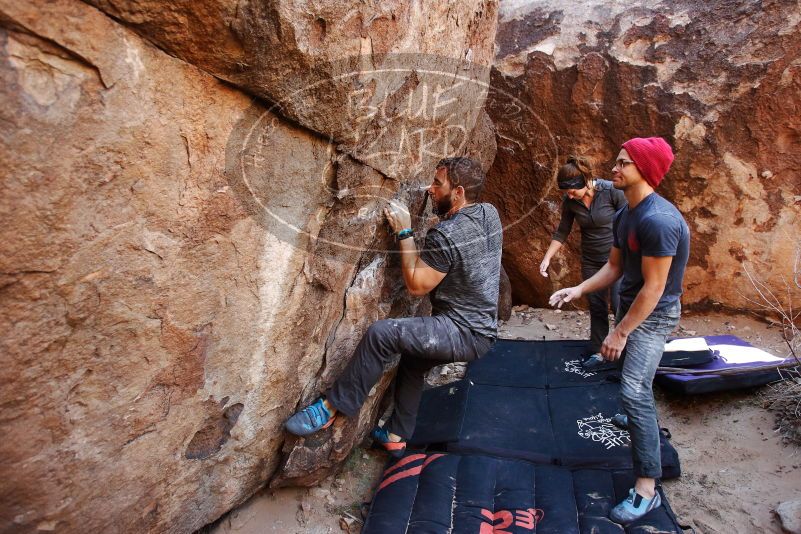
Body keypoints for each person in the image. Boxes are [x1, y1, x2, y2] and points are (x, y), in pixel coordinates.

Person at [285, 157, 503, 458]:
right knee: (414, 361)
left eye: (438, 184)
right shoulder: (490, 214)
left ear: (459, 193)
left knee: (382, 334)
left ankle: (330, 407)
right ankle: (396, 436)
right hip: (482, 329)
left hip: (462, 331)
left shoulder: (447, 235)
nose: (430, 189)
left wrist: (404, 231)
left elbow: (416, 286)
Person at [549, 137, 690, 525]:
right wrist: (579, 289)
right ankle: (635, 416)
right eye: (617, 161)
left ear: (644, 170)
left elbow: (655, 288)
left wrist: (620, 332)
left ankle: (647, 489)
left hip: (653, 312)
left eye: (623, 163)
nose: (614, 168)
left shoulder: (658, 221)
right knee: (634, 386)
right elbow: (614, 268)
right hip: (631, 303)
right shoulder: (627, 212)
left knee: (632, 390)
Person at [540, 155, 627, 365]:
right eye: (566, 193)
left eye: (572, 191)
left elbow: (630, 219)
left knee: (619, 304)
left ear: (586, 181)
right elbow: (562, 231)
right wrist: (547, 258)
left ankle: (624, 350)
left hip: (618, 261)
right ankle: (599, 351)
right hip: (591, 260)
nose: (569, 196)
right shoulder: (571, 202)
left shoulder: (611, 192)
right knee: (597, 306)